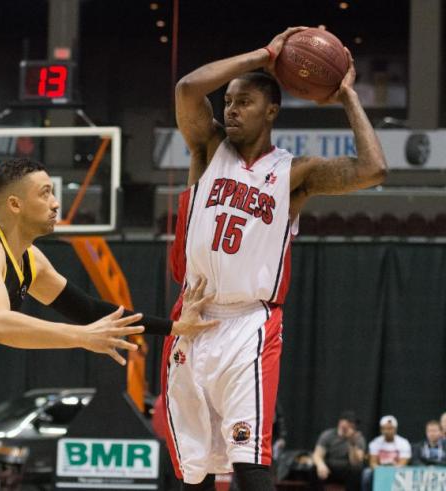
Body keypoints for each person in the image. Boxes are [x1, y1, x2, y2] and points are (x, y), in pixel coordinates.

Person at [0, 158, 218, 491]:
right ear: (15, 204)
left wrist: (173, 327)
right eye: (45, 193)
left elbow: (89, 309)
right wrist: (81, 338)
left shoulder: (31, 260)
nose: (56, 202)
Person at [162, 25, 387, 491]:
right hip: (194, 317)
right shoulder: (209, 149)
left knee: (251, 459)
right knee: (195, 468)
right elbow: (188, 88)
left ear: (272, 111)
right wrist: (264, 55)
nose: (232, 109)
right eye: (228, 101)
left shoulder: (293, 172)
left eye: (244, 102)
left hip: (250, 324)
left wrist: (346, 96)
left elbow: (373, 169)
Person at [312, 411, 365, 491]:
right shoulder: (328, 435)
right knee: (313, 469)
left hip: (346, 469)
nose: (352, 425)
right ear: (340, 422)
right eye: (349, 422)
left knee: (357, 471)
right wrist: (320, 465)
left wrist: (352, 443)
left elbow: (355, 462)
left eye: (353, 423)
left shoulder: (358, 438)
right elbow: (317, 454)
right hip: (329, 468)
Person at [361, 415, 411, 491]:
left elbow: (403, 464)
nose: (387, 431)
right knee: (367, 473)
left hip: (397, 471)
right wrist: (382, 469)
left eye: (390, 428)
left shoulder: (403, 443)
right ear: (381, 429)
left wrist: (391, 469)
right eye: (384, 429)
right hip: (379, 470)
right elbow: (372, 463)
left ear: (395, 429)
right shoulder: (375, 443)